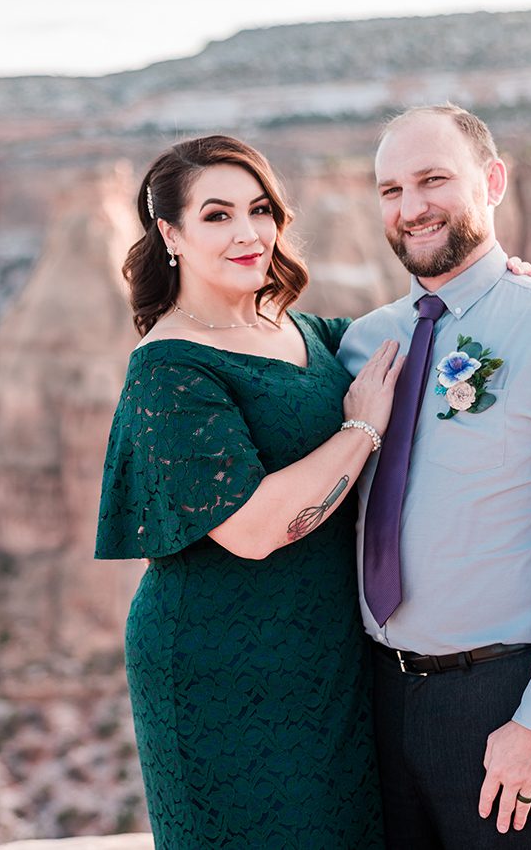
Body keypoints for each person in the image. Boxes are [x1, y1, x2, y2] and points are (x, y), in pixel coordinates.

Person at [336, 104, 531, 849]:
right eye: (391, 190)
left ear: (493, 180)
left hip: (502, 701)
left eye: (434, 180)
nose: (412, 208)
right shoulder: (360, 344)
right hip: (376, 700)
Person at [95, 134, 400, 847]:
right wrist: (361, 429)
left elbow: (413, 339)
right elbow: (254, 527)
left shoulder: (302, 329)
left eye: (259, 209)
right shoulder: (167, 368)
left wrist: (496, 286)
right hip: (217, 668)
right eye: (216, 215)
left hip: (323, 655)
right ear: (170, 233)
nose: (247, 231)